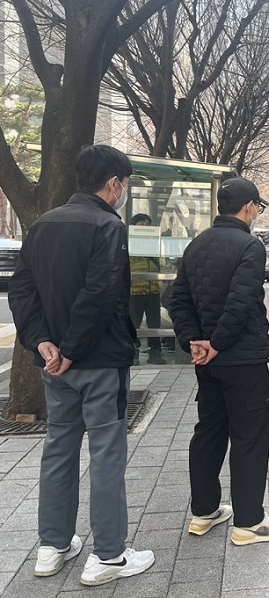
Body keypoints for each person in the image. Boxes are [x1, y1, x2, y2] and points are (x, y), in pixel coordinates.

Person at [8, 144, 155, 586]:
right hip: (99, 360)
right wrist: (71, 345)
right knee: (107, 453)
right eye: (124, 184)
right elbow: (103, 292)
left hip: (55, 365)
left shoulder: (42, 225)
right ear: (114, 183)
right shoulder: (108, 226)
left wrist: (44, 343)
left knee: (58, 449)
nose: (123, 191)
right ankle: (108, 555)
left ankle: (52, 547)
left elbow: (22, 290)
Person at [168, 177, 269, 545]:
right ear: (250, 207)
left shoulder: (197, 245)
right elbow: (240, 304)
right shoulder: (249, 248)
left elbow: (177, 301)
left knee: (209, 431)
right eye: (258, 208)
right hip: (243, 360)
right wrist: (217, 343)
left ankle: (204, 512)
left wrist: (196, 343)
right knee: (249, 436)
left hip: (209, 363)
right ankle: (249, 522)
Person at [129, 214, 164, 365]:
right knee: (133, 324)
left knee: (155, 324)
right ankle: (133, 352)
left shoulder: (154, 243)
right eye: (141, 223)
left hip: (153, 290)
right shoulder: (129, 243)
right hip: (135, 291)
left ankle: (155, 352)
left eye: (147, 223)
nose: (145, 226)